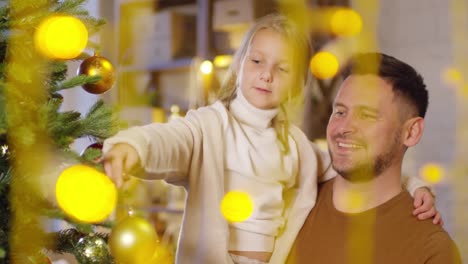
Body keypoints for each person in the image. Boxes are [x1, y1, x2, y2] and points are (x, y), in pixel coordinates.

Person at [103, 14, 439, 264]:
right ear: (240, 66)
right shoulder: (209, 127)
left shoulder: (296, 148)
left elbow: (355, 165)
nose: (266, 74)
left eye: (283, 68)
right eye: (258, 61)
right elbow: (170, 140)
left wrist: (415, 185)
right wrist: (130, 147)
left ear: (297, 83)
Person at [288, 52, 461, 264]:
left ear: (411, 132)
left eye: (367, 115)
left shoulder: (431, 249)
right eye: (340, 112)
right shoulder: (293, 201)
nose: (343, 128)